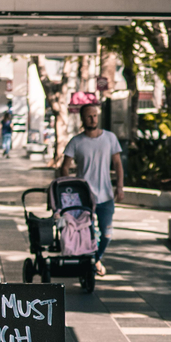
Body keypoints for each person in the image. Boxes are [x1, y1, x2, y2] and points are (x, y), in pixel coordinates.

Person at [59, 103, 124, 277]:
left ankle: (95, 259)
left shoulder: (110, 138)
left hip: (106, 196)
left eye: (95, 116)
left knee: (107, 233)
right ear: (82, 119)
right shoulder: (76, 142)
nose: (93, 119)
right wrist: (69, 187)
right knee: (87, 234)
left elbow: (117, 163)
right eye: (89, 116)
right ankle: (91, 263)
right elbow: (64, 167)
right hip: (84, 198)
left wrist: (120, 187)